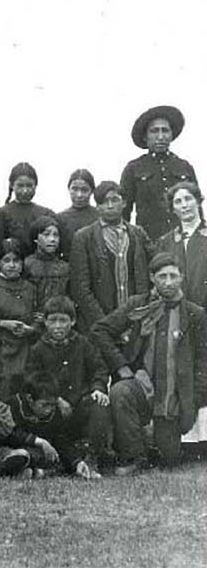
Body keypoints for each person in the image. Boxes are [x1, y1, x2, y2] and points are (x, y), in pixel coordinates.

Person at [91, 252, 207, 475]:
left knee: (168, 458)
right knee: (120, 391)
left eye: (173, 276)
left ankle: (155, 443)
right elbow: (100, 331)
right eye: (162, 276)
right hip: (142, 387)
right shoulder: (138, 305)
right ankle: (135, 456)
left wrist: (193, 399)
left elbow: (203, 361)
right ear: (152, 278)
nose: (168, 282)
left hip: (174, 395)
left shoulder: (195, 314)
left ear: (182, 277)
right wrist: (122, 366)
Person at [24, 296, 111, 473]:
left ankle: (93, 455)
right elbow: (33, 380)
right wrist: (55, 399)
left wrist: (98, 388)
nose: (57, 326)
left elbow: (99, 369)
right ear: (45, 323)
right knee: (45, 416)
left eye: (63, 320)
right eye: (52, 320)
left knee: (99, 404)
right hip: (55, 409)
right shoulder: (37, 350)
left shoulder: (83, 344)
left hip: (80, 405)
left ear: (73, 321)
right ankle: (61, 460)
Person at [157, 182, 207, 451]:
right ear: (172, 208)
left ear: (199, 200)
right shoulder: (167, 241)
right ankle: (189, 440)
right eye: (178, 201)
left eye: (189, 199)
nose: (185, 205)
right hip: (180, 316)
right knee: (184, 370)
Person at [70, 180, 153, 331]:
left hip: (136, 320)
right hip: (101, 322)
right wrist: (105, 324)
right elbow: (81, 288)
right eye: (104, 201)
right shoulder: (84, 237)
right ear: (97, 206)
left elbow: (154, 269)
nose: (109, 206)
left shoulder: (138, 234)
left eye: (114, 200)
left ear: (124, 203)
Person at [120, 105, 199, 240]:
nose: (161, 136)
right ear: (145, 137)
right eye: (154, 131)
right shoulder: (133, 169)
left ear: (171, 135)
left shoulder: (184, 167)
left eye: (165, 131)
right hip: (150, 243)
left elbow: (196, 208)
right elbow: (123, 213)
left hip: (184, 241)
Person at [0, 238, 40, 398]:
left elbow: (39, 315)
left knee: (25, 387)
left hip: (25, 346)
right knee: (3, 388)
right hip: (0, 346)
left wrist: (31, 328)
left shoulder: (30, 288)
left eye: (16, 261)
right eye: (7, 260)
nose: (12, 265)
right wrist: (2, 323)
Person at [7, 372, 96, 479]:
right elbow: (9, 433)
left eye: (52, 405)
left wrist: (76, 462)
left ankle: (33, 471)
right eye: (44, 405)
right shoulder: (14, 406)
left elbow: (60, 439)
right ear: (30, 399)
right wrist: (39, 441)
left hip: (39, 453)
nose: (48, 410)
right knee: (20, 455)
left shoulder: (55, 413)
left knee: (54, 457)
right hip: (12, 448)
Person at [1, 162, 56, 256]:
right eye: (20, 185)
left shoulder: (46, 214)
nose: (25, 190)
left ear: (36, 185)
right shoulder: (1, 213)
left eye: (29, 185)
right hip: (12, 265)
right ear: (11, 185)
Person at [23, 216, 70, 306]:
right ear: (35, 238)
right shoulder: (26, 264)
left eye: (56, 235)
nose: (52, 239)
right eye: (46, 234)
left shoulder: (64, 267)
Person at [57, 169, 99, 260]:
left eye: (84, 190)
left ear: (92, 191)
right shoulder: (60, 218)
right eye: (74, 189)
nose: (79, 195)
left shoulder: (100, 217)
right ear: (69, 189)